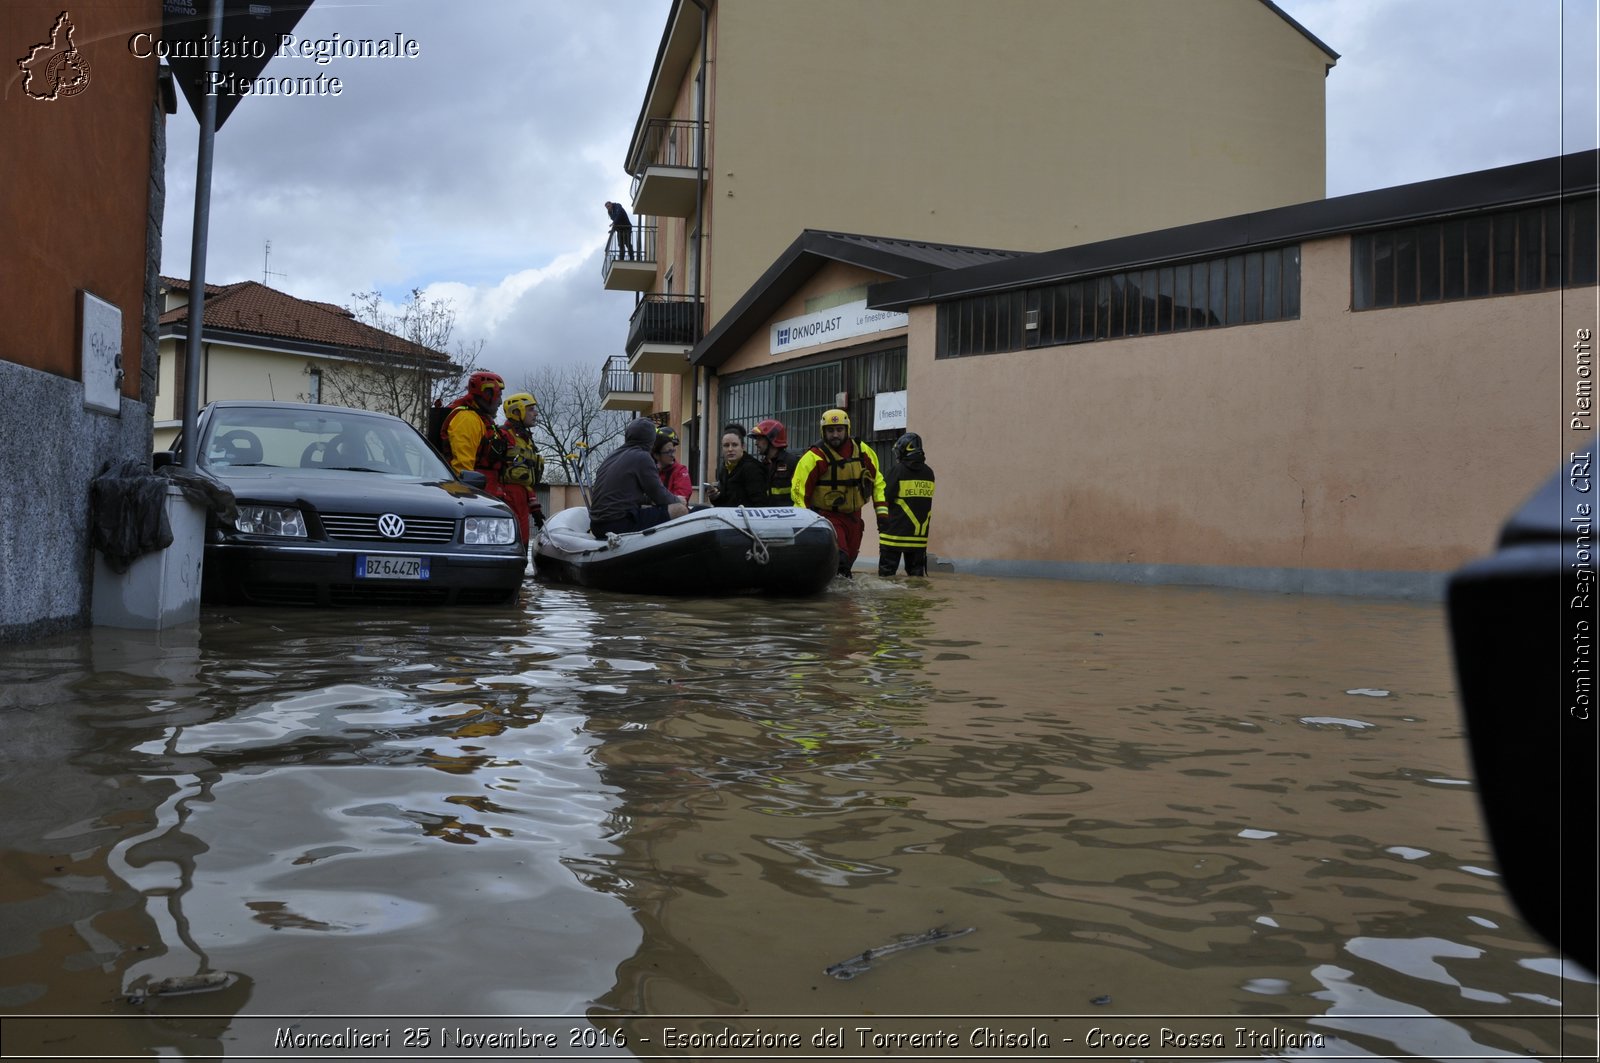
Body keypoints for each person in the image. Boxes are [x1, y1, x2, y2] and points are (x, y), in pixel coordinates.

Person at [791, 408, 887, 578]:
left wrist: (882, 513)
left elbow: (877, 481)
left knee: (848, 561)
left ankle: (844, 600)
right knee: (840, 561)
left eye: (839, 430)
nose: (835, 434)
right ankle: (838, 602)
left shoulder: (863, 451)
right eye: (830, 430)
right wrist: (805, 525)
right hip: (828, 517)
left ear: (847, 430)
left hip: (855, 518)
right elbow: (799, 493)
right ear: (823, 431)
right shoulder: (814, 456)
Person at [588, 417, 689, 536]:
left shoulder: (612, 456)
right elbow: (659, 495)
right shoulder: (642, 457)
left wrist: (649, 500)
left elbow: (625, 495)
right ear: (651, 440)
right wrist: (678, 500)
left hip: (596, 526)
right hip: (618, 523)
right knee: (679, 509)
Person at [877, 431, 935, 577]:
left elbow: (884, 497)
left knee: (886, 579)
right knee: (916, 579)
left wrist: (882, 521)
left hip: (893, 535)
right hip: (918, 537)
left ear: (905, 450)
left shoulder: (897, 470)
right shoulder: (929, 473)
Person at [438, 370, 509, 487]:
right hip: (473, 493)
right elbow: (462, 469)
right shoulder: (467, 419)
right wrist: (467, 495)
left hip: (487, 492)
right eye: (499, 396)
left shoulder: (482, 419)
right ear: (488, 394)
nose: (500, 402)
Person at [499, 391, 546, 548]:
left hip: (521, 499)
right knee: (512, 542)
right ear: (517, 411)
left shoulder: (524, 440)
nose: (535, 413)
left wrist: (535, 508)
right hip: (507, 498)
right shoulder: (504, 436)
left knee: (523, 542)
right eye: (531, 409)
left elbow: (525, 480)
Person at [706, 423, 768, 508]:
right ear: (722, 448)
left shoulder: (752, 468)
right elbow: (724, 502)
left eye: (735, 445)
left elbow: (760, 504)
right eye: (726, 445)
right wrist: (715, 497)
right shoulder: (724, 468)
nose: (730, 449)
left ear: (743, 447)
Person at [748, 418, 795, 503]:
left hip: (789, 515)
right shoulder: (761, 466)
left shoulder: (792, 463)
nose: (756, 443)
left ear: (771, 439)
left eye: (759, 439)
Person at [653, 426, 692, 504]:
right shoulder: (650, 470)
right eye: (668, 451)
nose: (672, 455)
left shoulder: (680, 470)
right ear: (656, 454)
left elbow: (682, 498)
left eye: (673, 449)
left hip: (675, 514)